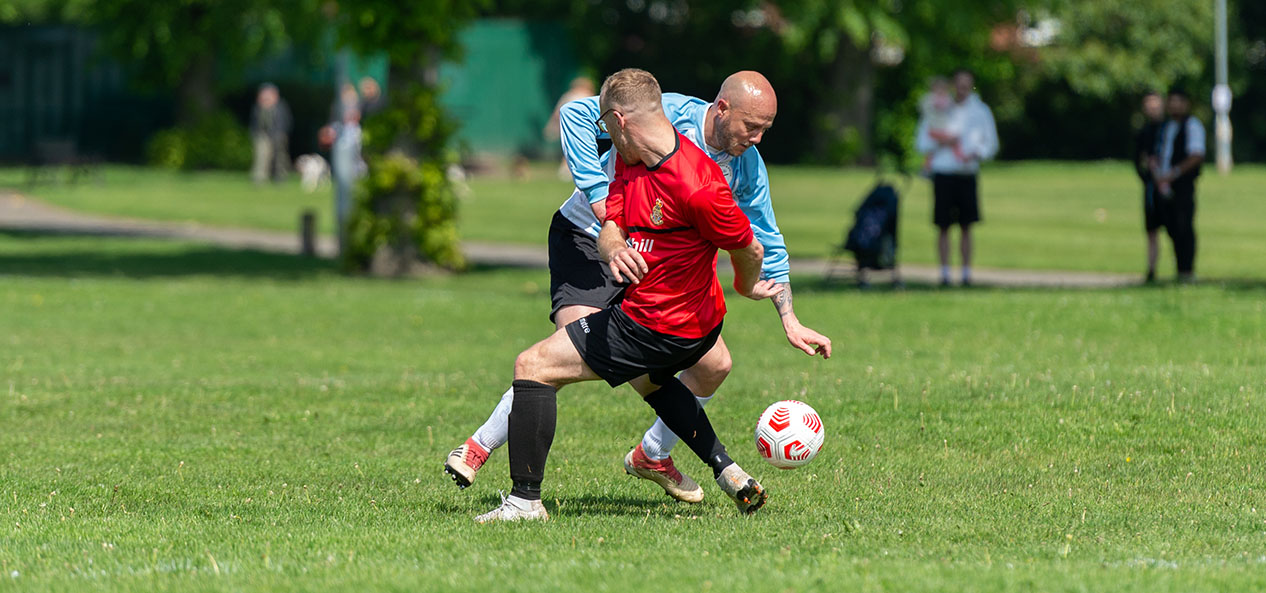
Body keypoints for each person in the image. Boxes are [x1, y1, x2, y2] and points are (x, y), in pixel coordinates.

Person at [445, 71, 832, 504]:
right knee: (569, 351)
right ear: (722, 109)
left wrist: (789, 317)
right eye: (751, 126)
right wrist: (599, 197)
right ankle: (481, 447)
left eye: (766, 129)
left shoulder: (745, 167)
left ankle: (653, 454)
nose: (758, 138)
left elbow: (764, 240)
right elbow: (574, 114)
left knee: (713, 365)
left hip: (650, 260)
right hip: (589, 239)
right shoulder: (667, 113)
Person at [915, 68, 998, 287]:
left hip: (966, 173)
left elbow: (990, 145)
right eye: (958, 85)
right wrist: (943, 141)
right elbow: (922, 142)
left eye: (966, 85)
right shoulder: (939, 108)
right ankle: (944, 273)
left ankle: (966, 273)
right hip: (943, 173)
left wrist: (975, 152)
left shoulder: (980, 111)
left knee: (966, 225)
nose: (961, 90)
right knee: (943, 225)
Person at [1151, 89, 1205, 283]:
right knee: (1171, 226)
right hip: (1162, 184)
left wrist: (1173, 174)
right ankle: (1180, 270)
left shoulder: (1192, 125)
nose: (1174, 106)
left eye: (1178, 102)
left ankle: (1186, 270)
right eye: (1171, 102)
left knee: (1184, 226)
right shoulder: (1165, 127)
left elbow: (1196, 155)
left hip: (1182, 185)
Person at [1134, 91, 1166, 282]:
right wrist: (1148, 175)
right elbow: (1137, 161)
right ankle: (1151, 270)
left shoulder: (1170, 128)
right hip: (1151, 187)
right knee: (1151, 230)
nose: (1152, 109)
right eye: (1149, 105)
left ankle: (1182, 269)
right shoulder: (1143, 132)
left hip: (1171, 186)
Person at [545, 76, 598, 178]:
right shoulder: (588, 96)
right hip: (583, 127)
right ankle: (570, 170)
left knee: (571, 149)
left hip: (571, 126)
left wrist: (552, 125)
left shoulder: (569, 96)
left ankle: (567, 169)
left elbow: (558, 112)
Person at [918, 77, 963, 176]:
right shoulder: (930, 99)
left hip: (943, 128)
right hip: (935, 128)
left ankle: (960, 159)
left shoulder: (948, 99)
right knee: (931, 151)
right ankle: (926, 167)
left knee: (954, 143)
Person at [249, 83, 292, 184]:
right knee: (261, 155)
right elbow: (254, 123)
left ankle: (280, 177)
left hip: (278, 135)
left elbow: (287, 121)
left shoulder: (281, 107)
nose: (265, 98)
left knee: (280, 158)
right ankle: (259, 178)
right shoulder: (258, 108)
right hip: (262, 135)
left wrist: (282, 133)